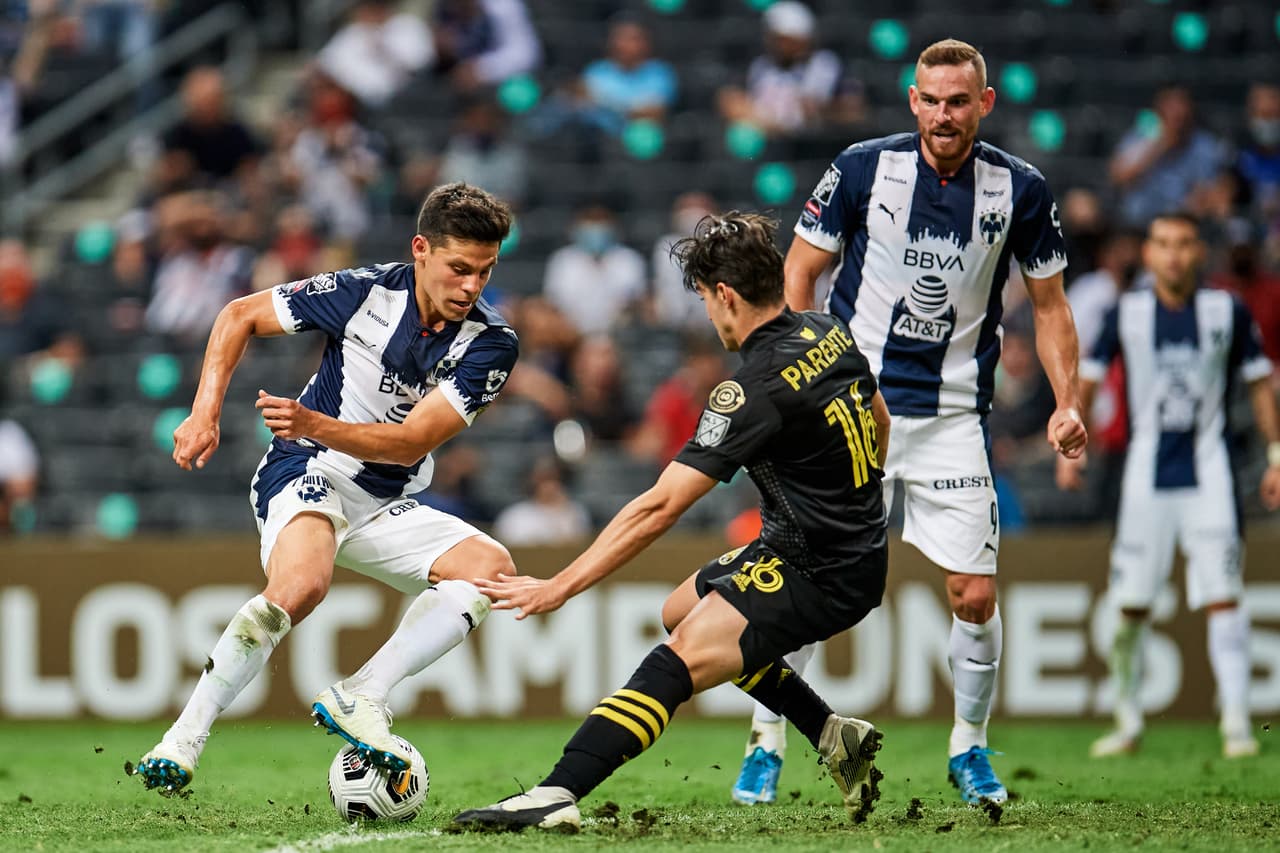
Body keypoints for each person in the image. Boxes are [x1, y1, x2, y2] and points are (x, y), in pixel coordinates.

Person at [452, 212, 892, 831]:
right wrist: (856, 502)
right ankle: (828, 732)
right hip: (835, 546)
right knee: (680, 611)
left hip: (821, 569)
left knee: (677, 659)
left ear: (728, 296)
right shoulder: (828, 332)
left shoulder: (751, 391)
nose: (710, 318)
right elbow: (877, 415)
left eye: (709, 301)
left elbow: (660, 506)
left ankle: (555, 792)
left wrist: (560, 585)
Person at [767, 39, 1088, 807]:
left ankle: (969, 747)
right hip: (852, 412)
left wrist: (1068, 400)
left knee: (975, 593)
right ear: (912, 101)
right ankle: (766, 743)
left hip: (950, 417)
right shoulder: (862, 168)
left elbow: (1052, 306)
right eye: (931, 100)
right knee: (806, 585)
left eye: (958, 101)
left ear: (985, 103)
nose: (944, 115)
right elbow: (800, 271)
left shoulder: (1022, 189)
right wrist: (811, 374)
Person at [135, 183, 520, 793]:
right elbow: (238, 314)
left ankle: (361, 694)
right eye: (459, 268)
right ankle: (182, 740)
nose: (472, 286)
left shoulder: (492, 344)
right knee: (303, 585)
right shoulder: (363, 293)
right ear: (420, 250)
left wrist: (315, 420)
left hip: (386, 497)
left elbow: (411, 443)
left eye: (485, 270)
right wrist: (204, 411)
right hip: (306, 469)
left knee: (490, 572)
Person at [1058, 212, 1280, 759]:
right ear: (1149, 254)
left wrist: (1276, 455)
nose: (1173, 255)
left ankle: (1235, 723)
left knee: (1224, 598)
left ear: (1199, 251)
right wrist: (1071, 445)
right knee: (1130, 607)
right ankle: (1128, 719)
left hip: (1209, 478)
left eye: (1183, 244)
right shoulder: (1127, 313)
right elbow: (1084, 379)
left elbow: (1259, 385)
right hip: (1144, 483)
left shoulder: (1225, 311)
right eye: (1162, 244)